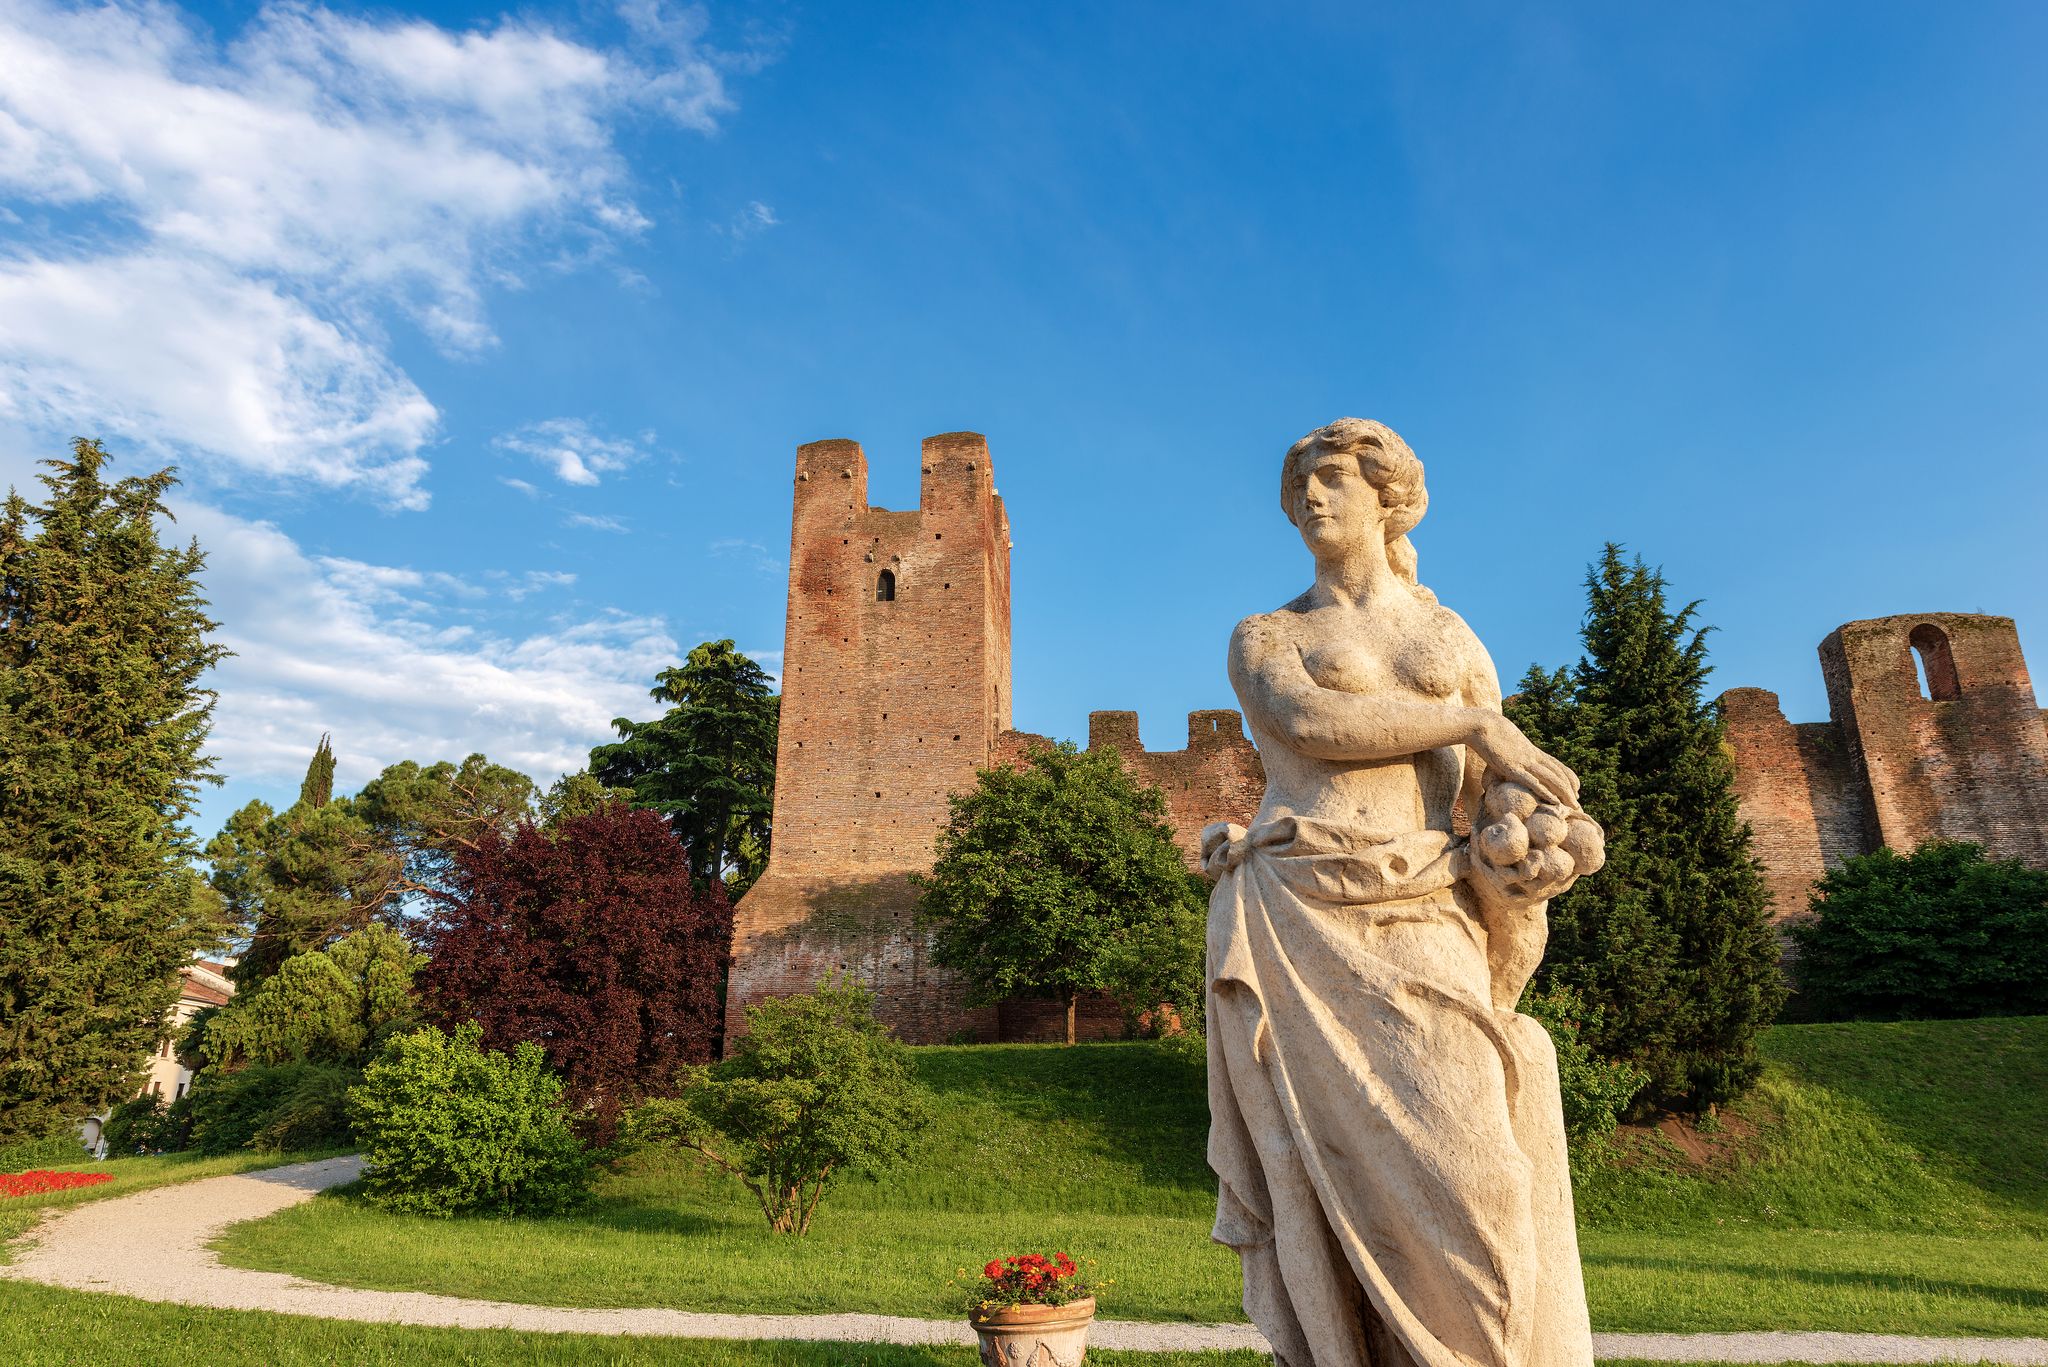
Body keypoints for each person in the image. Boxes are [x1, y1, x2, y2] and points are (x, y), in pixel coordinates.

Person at [1204, 417, 1601, 1367]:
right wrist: (1476, 721)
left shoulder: (1445, 632)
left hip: (1423, 901)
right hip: (1298, 907)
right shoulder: (1268, 635)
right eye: (1300, 482)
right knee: (1324, 1179)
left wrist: (1531, 856)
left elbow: (1491, 796)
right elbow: (1311, 719)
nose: (1312, 495)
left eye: (1335, 477)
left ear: (1392, 496)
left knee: (1479, 1169)